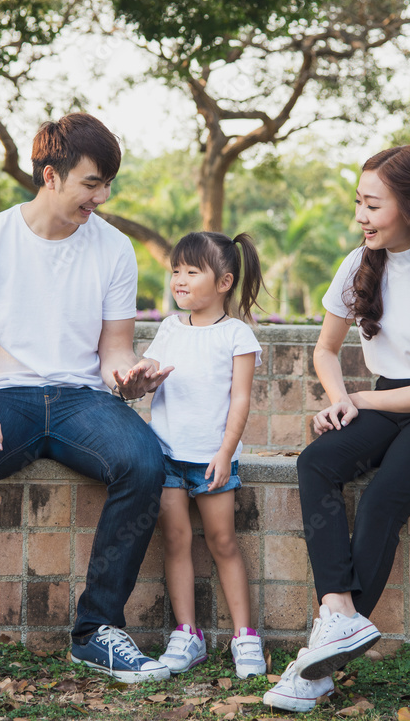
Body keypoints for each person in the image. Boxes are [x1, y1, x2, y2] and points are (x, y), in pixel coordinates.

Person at [0, 112, 175, 691]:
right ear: (50, 176)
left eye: (107, 184)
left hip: (81, 399)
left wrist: (129, 378)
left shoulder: (114, 248)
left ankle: (98, 630)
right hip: (4, 396)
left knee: (145, 461)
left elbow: (114, 351)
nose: (102, 197)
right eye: (91, 183)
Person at [264, 145, 410, 714]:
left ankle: (315, 667)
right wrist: (340, 401)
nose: (361, 217)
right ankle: (339, 613)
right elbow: (324, 350)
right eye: (358, 204)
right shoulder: (358, 264)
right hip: (386, 399)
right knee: (317, 462)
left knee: (381, 499)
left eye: (373, 205)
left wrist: (362, 398)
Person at [142, 231, 267, 679]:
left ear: (224, 282)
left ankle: (244, 637)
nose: (180, 279)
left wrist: (225, 452)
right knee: (176, 541)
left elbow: (240, 400)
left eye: (192, 271)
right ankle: (187, 634)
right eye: (176, 270)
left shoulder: (237, 335)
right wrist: (140, 377)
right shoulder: (169, 327)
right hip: (167, 456)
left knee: (223, 542)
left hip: (213, 460)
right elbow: (150, 369)